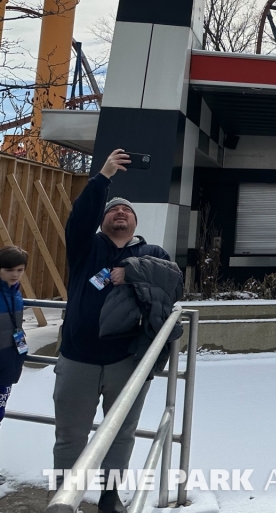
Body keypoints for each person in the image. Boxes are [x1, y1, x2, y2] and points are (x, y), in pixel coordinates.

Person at [52, 149, 172, 513]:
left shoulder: (152, 253)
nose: (120, 212)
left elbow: (174, 282)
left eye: (127, 210)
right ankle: (64, 498)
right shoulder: (86, 249)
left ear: (135, 222)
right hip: (78, 359)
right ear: (103, 220)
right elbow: (80, 218)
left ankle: (110, 496)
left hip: (127, 360)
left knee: (121, 433)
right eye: (112, 209)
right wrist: (103, 178)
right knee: (71, 435)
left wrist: (132, 271)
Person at [0, 245, 29, 427]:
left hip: (8, 362)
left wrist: (21, 353)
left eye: (20, 270)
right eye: (9, 270)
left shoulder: (16, 294)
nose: (15, 275)